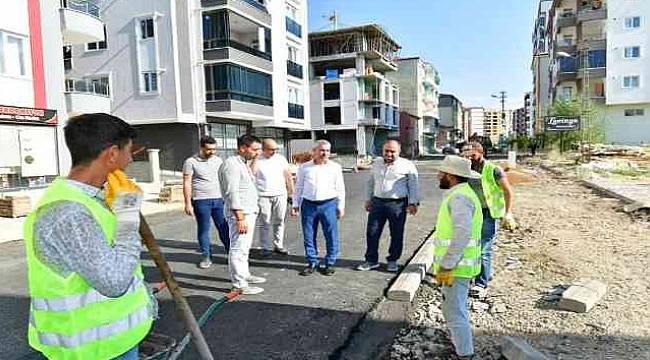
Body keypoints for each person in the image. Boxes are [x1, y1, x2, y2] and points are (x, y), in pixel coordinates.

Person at [24, 113, 153, 360]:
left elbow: (111, 259)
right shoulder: (68, 213)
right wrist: (127, 216)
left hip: (115, 342)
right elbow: (114, 282)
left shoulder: (97, 198)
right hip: (92, 351)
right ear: (112, 154)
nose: (130, 160)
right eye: (128, 152)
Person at [432, 155, 483, 360]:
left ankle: (465, 354)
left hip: (457, 268)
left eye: (441, 172)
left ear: (451, 176)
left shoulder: (459, 198)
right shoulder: (462, 193)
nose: (438, 176)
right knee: (454, 308)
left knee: (455, 312)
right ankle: (461, 347)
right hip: (459, 266)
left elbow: (462, 235)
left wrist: (447, 265)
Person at [357, 139, 419, 273]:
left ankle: (392, 260)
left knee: (396, 234)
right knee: (372, 232)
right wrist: (368, 199)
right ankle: (371, 260)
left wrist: (413, 203)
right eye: (387, 151)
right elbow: (371, 183)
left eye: (393, 151)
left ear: (399, 151)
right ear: (383, 151)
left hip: (397, 204)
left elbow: (413, 185)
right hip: (377, 202)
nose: (389, 154)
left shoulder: (407, 165)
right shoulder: (376, 163)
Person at [462, 141, 515, 298]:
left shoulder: (494, 170)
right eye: (467, 156)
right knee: (471, 247)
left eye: (473, 155)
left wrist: (508, 213)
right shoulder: (465, 169)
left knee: (484, 249)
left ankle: (481, 284)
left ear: (481, 153)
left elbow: (508, 191)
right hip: (472, 213)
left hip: (489, 214)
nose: (470, 158)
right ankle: (479, 274)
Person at [219, 134, 266, 295]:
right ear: (242, 148)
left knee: (244, 248)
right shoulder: (231, 165)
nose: (258, 153)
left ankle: (244, 275)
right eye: (255, 149)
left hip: (248, 212)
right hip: (240, 214)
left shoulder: (242, 163)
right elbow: (231, 192)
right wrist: (239, 217)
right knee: (238, 248)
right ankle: (239, 284)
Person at [291, 140, 345, 276]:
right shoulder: (304, 167)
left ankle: (330, 262)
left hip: (329, 204)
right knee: (309, 235)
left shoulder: (335, 167)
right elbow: (298, 187)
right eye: (321, 150)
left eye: (327, 151)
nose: (324, 153)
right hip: (309, 205)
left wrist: (341, 206)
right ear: (314, 151)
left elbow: (340, 188)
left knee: (331, 234)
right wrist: (295, 204)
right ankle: (312, 262)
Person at [183, 135, 230, 269]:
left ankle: (231, 253)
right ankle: (206, 255)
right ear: (201, 147)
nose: (212, 152)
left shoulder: (218, 160)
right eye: (209, 149)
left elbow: (224, 179)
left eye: (214, 149)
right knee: (204, 229)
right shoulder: (190, 162)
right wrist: (187, 203)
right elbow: (187, 183)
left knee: (223, 227)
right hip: (201, 200)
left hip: (218, 199)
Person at [251, 139, 294, 256]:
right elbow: (251, 173)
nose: (274, 151)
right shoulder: (257, 159)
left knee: (280, 220)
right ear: (263, 148)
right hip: (263, 195)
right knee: (264, 221)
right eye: (271, 149)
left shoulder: (281, 159)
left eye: (275, 149)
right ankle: (264, 247)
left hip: (280, 194)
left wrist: (291, 193)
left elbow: (288, 176)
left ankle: (278, 245)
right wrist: (255, 158)